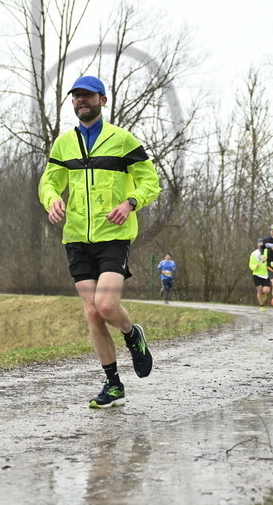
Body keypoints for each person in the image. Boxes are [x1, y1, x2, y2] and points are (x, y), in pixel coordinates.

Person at [38, 75, 161, 409]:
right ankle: (113, 384)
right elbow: (49, 182)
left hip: (114, 236)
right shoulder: (64, 144)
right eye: (77, 96)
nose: (82, 101)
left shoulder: (123, 140)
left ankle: (132, 334)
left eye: (88, 96)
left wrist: (131, 202)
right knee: (93, 313)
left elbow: (151, 182)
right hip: (77, 238)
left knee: (106, 306)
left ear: (102, 100)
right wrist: (52, 199)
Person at [248, 238, 272, 310]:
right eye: (259, 243)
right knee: (259, 289)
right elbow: (251, 264)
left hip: (266, 274)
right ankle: (262, 306)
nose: (261, 244)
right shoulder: (254, 254)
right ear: (257, 244)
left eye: (262, 243)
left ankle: (264, 294)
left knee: (266, 290)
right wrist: (255, 266)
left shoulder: (267, 251)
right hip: (257, 274)